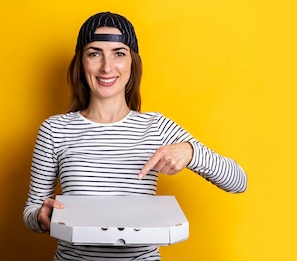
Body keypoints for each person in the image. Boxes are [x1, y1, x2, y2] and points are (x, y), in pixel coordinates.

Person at [23, 11, 247, 260]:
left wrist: (191, 152)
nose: (107, 66)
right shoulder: (55, 130)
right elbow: (32, 210)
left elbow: (238, 181)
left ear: (132, 62)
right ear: (81, 62)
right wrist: (41, 218)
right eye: (94, 53)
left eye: (119, 53)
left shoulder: (156, 126)